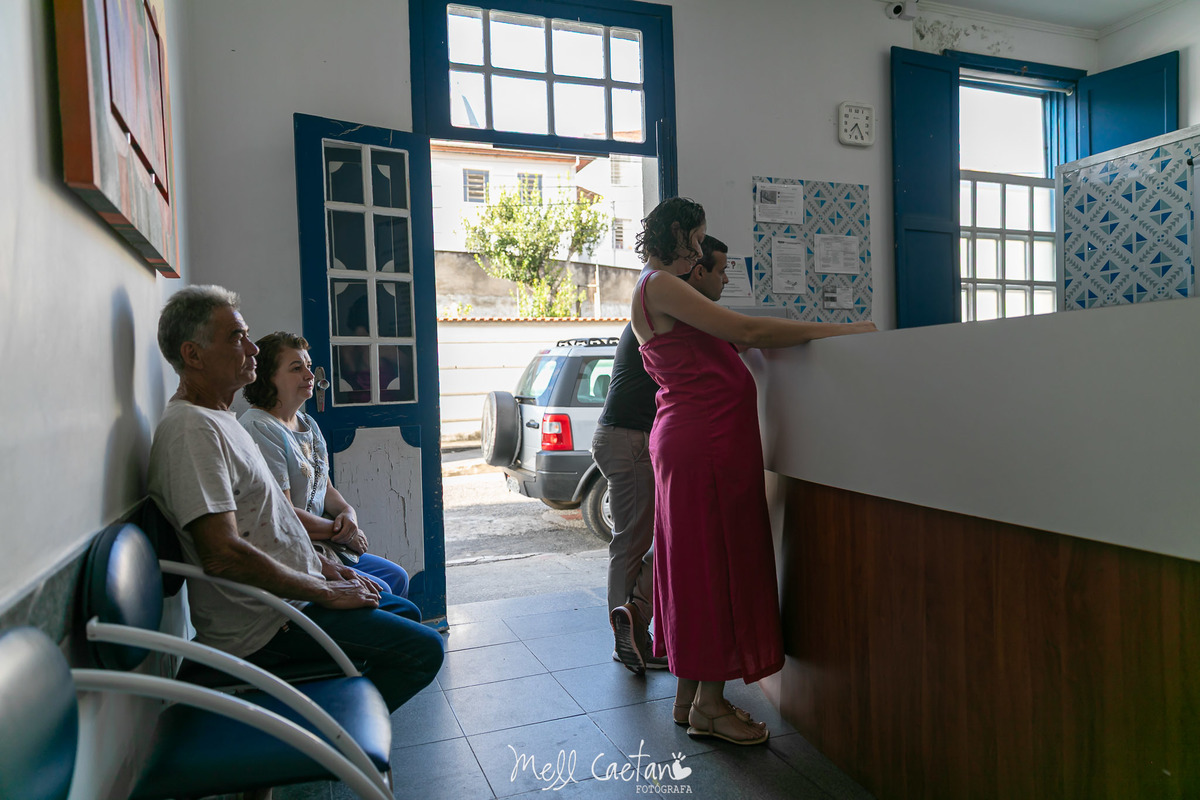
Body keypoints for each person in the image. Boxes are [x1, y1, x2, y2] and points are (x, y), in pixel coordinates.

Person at [630, 199, 875, 746]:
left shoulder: (658, 288)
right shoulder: (660, 285)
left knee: (696, 563)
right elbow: (747, 329)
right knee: (716, 565)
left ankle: (689, 698)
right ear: (679, 234)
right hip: (705, 441)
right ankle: (711, 708)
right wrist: (845, 331)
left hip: (699, 438)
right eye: (699, 237)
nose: (702, 249)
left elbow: (731, 338)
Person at [147, 285, 443, 714]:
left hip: (291, 601)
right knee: (424, 650)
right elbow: (222, 554)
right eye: (236, 337)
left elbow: (271, 524)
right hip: (267, 624)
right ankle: (326, 740)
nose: (252, 348)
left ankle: (334, 722)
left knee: (402, 610)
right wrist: (322, 590)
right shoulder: (193, 431)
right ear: (193, 355)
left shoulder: (220, 419)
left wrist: (325, 569)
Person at [596, 235, 730, 675]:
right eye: (719, 269)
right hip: (628, 436)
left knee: (660, 537)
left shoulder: (671, 309)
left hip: (632, 436)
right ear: (696, 270)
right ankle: (628, 639)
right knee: (634, 541)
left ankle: (634, 620)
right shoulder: (669, 307)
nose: (725, 279)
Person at [240, 331, 409, 597]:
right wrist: (341, 532)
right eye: (296, 368)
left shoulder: (308, 422)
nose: (310, 375)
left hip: (325, 543)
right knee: (383, 589)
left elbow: (326, 489)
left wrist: (348, 514)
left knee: (397, 577)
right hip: (293, 549)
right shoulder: (259, 428)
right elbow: (283, 514)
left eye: (308, 366)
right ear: (268, 377)